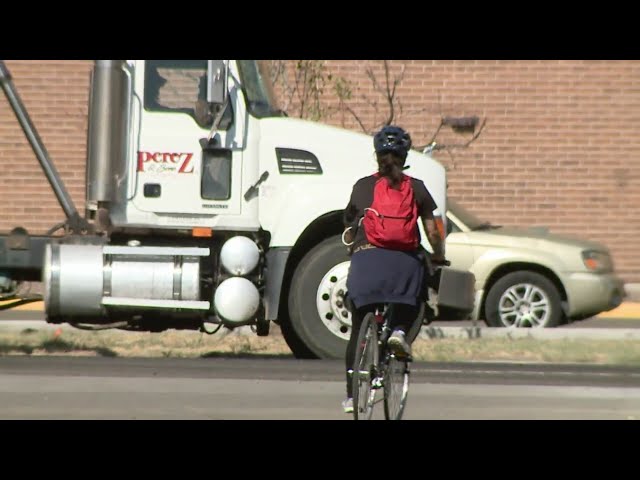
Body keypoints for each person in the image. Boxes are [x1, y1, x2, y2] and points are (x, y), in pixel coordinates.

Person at [341, 125, 446, 414]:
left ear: (377, 155)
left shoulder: (362, 186)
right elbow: (433, 231)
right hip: (403, 265)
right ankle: (399, 330)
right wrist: (437, 256)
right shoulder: (417, 188)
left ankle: (352, 396)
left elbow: (348, 225)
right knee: (416, 296)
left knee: (358, 325)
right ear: (405, 155)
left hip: (366, 263)